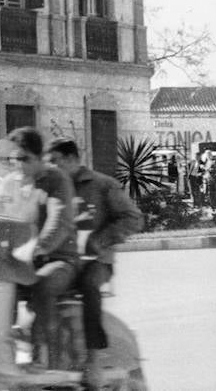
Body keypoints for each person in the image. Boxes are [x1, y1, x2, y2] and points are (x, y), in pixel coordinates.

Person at [45, 137, 141, 390]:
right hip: (64, 259)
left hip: (96, 261)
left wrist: (100, 241)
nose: (51, 167)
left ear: (72, 159)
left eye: (55, 161)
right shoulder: (50, 188)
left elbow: (133, 218)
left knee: (89, 286)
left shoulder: (102, 185)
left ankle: (94, 358)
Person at [7, 127, 77, 369]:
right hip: (23, 260)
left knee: (43, 283)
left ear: (38, 158)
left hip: (59, 259)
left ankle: (42, 355)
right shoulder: (13, 182)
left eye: (24, 158)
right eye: (14, 159)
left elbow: (60, 220)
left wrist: (38, 247)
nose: (18, 164)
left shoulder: (56, 179)